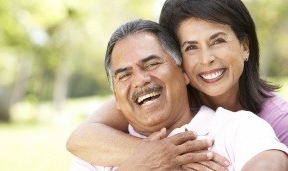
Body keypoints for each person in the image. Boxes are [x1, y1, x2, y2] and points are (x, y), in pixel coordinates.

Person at [67, 0, 288, 169]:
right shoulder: (97, 154)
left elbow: (268, 160)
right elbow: (79, 138)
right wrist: (153, 159)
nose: (206, 59)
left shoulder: (250, 125)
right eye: (191, 47)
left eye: (218, 41)